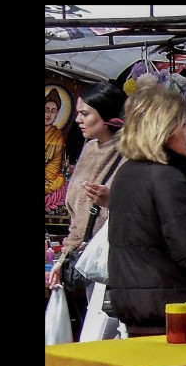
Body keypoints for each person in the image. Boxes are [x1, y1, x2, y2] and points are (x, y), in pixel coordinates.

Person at [107, 86, 186, 337]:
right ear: (163, 128)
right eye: (182, 124)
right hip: (174, 312)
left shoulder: (126, 173)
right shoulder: (165, 177)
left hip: (138, 308)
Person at [47, 82, 128, 341]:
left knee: (100, 341)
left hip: (117, 263)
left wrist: (112, 200)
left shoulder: (131, 152)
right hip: (90, 262)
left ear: (106, 115)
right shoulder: (89, 148)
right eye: (78, 113)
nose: (79, 120)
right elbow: (78, 217)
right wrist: (64, 258)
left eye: (86, 114)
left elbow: (144, 206)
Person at [45, 90, 67, 210]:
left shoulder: (57, 137)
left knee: (60, 180)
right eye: (46, 110)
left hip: (47, 176)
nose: (49, 115)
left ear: (57, 114)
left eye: (53, 111)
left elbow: (54, 166)